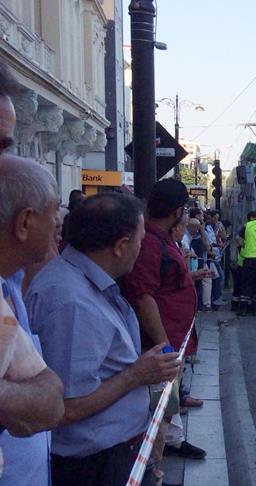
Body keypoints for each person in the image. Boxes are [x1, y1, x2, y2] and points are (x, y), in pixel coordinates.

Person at [27, 193, 180, 486]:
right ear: (121, 246)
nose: (141, 249)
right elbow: (66, 407)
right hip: (92, 466)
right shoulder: (71, 302)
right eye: (140, 240)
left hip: (107, 456)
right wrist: (136, 374)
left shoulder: (84, 285)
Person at [120, 179, 207, 469]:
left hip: (171, 346)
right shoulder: (150, 242)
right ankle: (152, 468)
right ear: (178, 211)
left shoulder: (160, 238)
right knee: (159, 409)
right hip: (162, 350)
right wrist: (165, 347)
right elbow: (144, 296)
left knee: (166, 408)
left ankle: (165, 449)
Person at [0, 153, 65, 485]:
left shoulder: (11, 284)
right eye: (53, 213)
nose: (59, 225)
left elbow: (50, 401)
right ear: (25, 222)